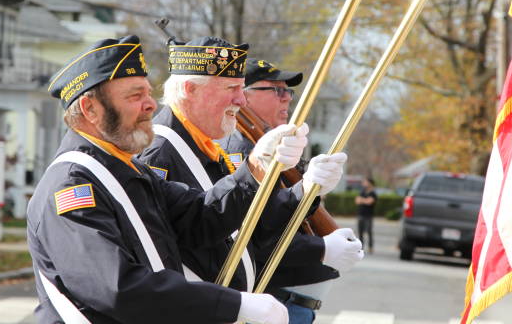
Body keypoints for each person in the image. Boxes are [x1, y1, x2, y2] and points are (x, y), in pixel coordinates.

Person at [27, 35, 335, 324]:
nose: (151, 104)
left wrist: (256, 166)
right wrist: (232, 303)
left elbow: (201, 218)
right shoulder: (72, 186)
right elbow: (119, 288)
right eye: (136, 96)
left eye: (148, 93)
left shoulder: (126, 170)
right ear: (90, 109)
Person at [138, 37, 358, 305]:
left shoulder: (201, 145)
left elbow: (245, 225)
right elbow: (186, 235)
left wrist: (306, 188)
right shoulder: (160, 152)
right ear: (190, 89)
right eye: (231, 87)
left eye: (242, 89)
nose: (241, 100)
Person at [218, 58, 364, 324]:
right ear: (244, 96)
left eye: (288, 91)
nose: (286, 98)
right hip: (274, 302)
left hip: (290, 305)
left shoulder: (275, 146)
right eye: (276, 90)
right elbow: (254, 236)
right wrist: (321, 247)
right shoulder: (241, 150)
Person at [355, 177, 378, 254]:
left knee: (369, 232)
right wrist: (364, 200)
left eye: (365, 182)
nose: (364, 183)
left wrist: (362, 200)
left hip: (368, 216)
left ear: (370, 183)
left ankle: (371, 247)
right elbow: (357, 201)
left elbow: (370, 202)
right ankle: (361, 247)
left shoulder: (373, 193)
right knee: (360, 232)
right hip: (360, 214)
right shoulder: (362, 192)